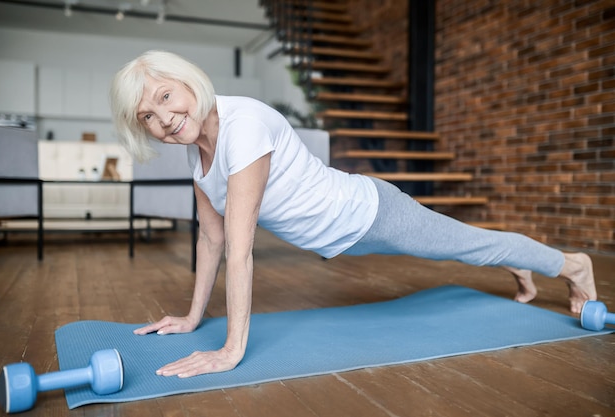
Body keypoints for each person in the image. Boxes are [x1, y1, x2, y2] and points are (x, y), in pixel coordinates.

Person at [110, 50, 597, 379]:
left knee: (471, 242)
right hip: (341, 239)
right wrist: (194, 318)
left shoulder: (245, 126)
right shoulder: (196, 153)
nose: (163, 118)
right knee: (469, 243)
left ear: (188, 82)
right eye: (147, 117)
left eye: (165, 97)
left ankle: (574, 264)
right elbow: (210, 240)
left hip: (371, 213)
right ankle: (510, 260)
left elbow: (240, 248)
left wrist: (231, 349)